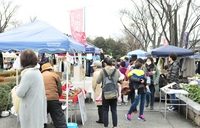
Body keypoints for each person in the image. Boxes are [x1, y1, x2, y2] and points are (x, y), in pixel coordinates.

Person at [15, 49, 47, 128]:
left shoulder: (28, 74)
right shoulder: (37, 71)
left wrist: (16, 89)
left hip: (30, 108)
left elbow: (20, 93)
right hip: (36, 107)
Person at [97, 57, 121, 128]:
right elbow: (118, 79)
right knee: (114, 110)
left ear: (105, 63)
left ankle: (106, 126)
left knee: (105, 110)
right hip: (114, 93)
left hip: (105, 93)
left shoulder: (102, 71)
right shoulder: (116, 71)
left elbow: (98, 81)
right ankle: (115, 126)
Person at [41, 62, 66, 128]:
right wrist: (57, 96)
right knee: (59, 120)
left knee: (41, 121)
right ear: (50, 69)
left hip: (42, 100)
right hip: (53, 99)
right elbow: (59, 88)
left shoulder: (39, 76)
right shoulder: (55, 75)